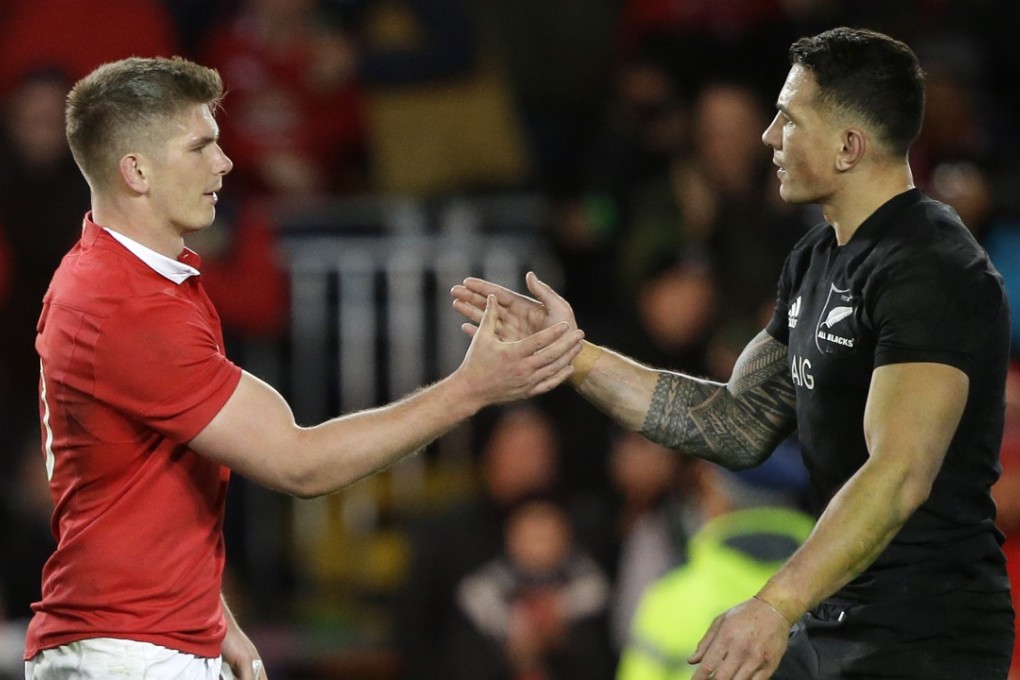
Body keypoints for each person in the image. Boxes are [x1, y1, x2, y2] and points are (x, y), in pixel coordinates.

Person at [452, 26, 1014, 679]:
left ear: (849, 146)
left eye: (788, 119)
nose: (769, 137)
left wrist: (774, 605)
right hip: (839, 623)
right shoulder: (815, 259)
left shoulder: (931, 268)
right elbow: (735, 422)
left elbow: (900, 473)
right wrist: (573, 356)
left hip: (928, 638)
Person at [25, 55, 584, 680]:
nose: (225, 162)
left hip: (139, 639)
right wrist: (470, 389)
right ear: (136, 171)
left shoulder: (121, 277)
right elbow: (299, 462)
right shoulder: (126, 306)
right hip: (130, 655)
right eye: (201, 145)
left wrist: (209, 612)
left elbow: (128, 482)